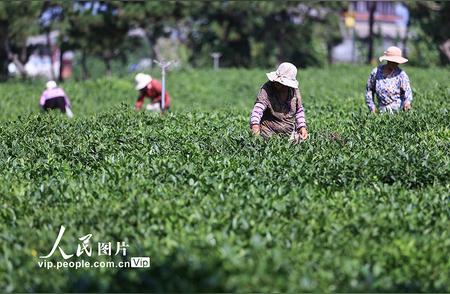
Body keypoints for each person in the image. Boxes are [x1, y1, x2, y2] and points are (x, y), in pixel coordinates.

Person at [249, 62, 308, 142]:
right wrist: (255, 126)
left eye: (281, 83)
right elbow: (258, 108)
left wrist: (302, 127)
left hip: (289, 131)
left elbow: (299, 110)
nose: (277, 84)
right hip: (268, 131)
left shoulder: (294, 92)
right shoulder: (267, 89)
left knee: (303, 140)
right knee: (265, 143)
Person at [365, 46, 413, 113]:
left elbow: (407, 92)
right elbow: (369, 89)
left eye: (397, 62)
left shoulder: (401, 75)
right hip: (381, 110)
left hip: (398, 111)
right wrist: (372, 106)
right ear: (388, 60)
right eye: (393, 61)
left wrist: (407, 103)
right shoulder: (376, 72)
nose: (395, 63)